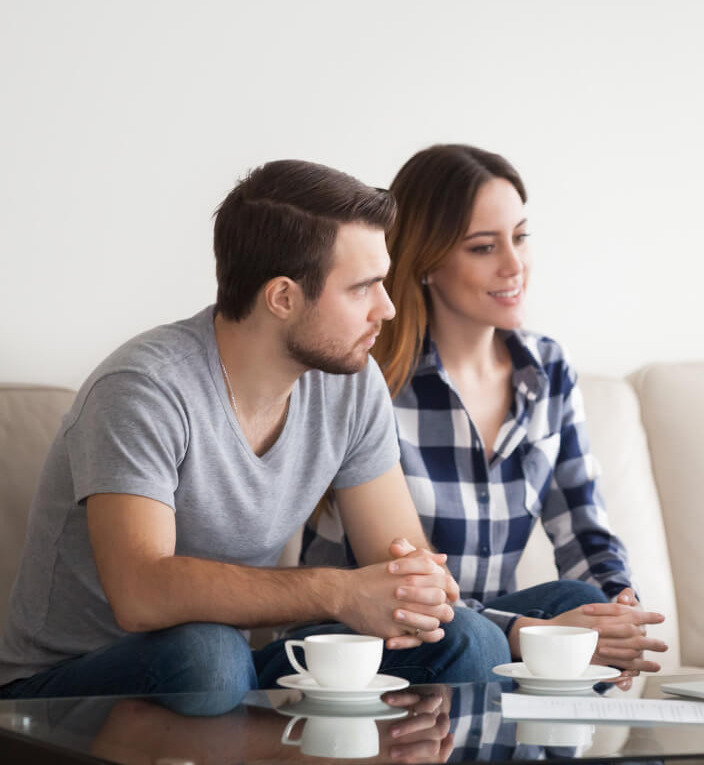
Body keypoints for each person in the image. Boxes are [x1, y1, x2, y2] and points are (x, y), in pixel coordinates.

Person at [0, 159, 510, 702]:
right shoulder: (143, 388)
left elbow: (398, 563)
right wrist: (339, 592)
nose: (386, 309)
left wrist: (421, 593)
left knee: (468, 642)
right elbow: (140, 593)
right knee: (209, 656)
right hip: (65, 690)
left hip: (227, 677)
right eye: (363, 288)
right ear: (283, 298)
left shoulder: (350, 384)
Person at [302, 144, 667, 678]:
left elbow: (584, 527)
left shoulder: (547, 370)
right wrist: (521, 633)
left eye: (520, 237)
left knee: (581, 597)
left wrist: (618, 609)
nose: (513, 265)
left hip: (484, 633)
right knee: (473, 639)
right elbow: (402, 585)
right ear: (427, 261)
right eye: (482, 247)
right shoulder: (368, 382)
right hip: (374, 634)